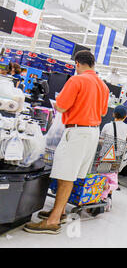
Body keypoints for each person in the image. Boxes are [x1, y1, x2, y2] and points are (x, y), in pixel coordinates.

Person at [24, 50, 109, 234]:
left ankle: (52, 221)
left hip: (76, 131)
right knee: (70, 175)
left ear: (77, 63)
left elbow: (61, 106)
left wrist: (59, 104)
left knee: (64, 175)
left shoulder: (77, 80)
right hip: (92, 133)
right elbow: (103, 113)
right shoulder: (103, 86)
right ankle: (60, 211)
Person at [99, 105, 127, 208]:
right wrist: (126, 146)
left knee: (103, 175)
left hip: (105, 156)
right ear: (125, 117)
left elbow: (101, 140)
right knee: (112, 176)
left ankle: (100, 196)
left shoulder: (107, 126)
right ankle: (108, 197)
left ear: (113, 114)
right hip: (117, 156)